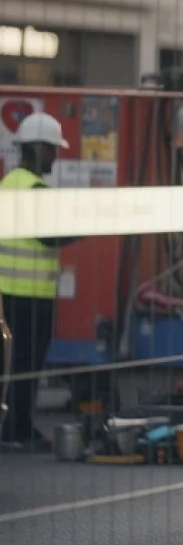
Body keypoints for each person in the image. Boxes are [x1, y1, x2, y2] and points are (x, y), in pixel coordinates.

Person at [0, 112, 82, 453]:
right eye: (51, 150)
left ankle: (14, 426)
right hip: (31, 295)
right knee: (27, 365)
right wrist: (85, 226)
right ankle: (17, 429)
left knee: (12, 364)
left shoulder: (6, 185)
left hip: (7, 295)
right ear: (37, 148)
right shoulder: (36, 190)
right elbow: (49, 236)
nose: (55, 156)